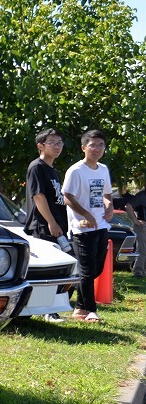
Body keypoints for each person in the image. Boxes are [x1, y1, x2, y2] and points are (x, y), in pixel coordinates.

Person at [61, 129, 114, 322]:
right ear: (84, 147)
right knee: (86, 271)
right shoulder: (76, 170)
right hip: (81, 227)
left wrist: (109, 207)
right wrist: (85, 214)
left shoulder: (103, 169)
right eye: (93, 145)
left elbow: (106, 195)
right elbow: (67, 196)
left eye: (101, 145)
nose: (97, 149)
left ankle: (79, 308)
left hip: (101, 225)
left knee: (96, 269)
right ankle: (91, 310)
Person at [23, 127, 68, 247]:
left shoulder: (53, 170)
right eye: (51, 142)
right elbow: (38, 196)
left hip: (57, 226)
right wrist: (51, 222)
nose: (57, 146)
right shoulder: (36, 167)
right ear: (40, 146)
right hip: (43, 226)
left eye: (59, 143)